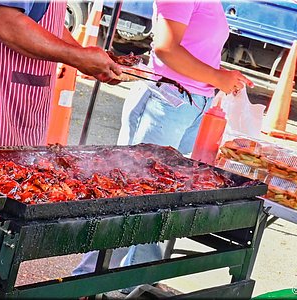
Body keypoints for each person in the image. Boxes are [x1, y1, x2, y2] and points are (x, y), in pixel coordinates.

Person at [72, 0, 254, 287]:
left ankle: (137, 281)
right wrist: (219, 77)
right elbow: (166, 48)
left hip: (188, 104)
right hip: (166, 102)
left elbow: (196, 46)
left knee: (159, 201)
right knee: (133, 198)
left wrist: (219, 80)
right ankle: (84, 283)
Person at [0, 0, 125, 147]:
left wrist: (88, 58)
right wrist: (79, 57)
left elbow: (47, 23)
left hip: (22, 100)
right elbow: (7, 23)